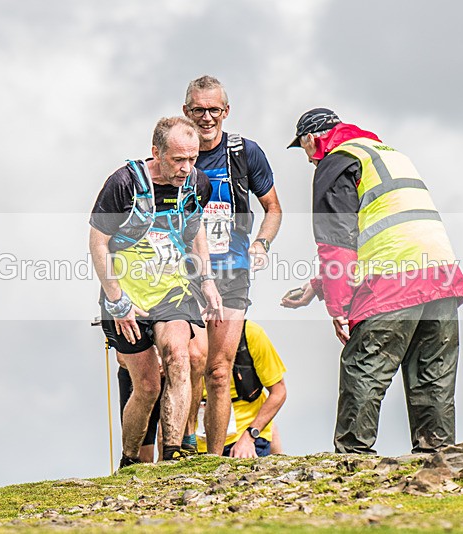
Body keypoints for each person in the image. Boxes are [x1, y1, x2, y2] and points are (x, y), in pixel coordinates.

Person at [284, 108, 463, 454]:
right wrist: (317, 287)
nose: (308, 160)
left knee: (363, 367)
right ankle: (439, 462)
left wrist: (338, 310)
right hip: (441, 274)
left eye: (304, 150)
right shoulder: (388, 154)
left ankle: (353, 461)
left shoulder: (335, 162)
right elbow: (384, 228)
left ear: (311, 139)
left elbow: (337, 242)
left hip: (394, 278)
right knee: (433, 377)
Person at [89, 116, 223, 467]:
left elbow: (195, 230)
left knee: (180, 356)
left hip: (172, 292)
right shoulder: (123, 184)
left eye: (192, 159)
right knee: (146, 387)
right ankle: (131, 459)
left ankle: (173, 453)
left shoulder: (197, 184)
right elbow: (98, 243)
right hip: (126, 297)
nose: (186, 168)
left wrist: (206, 279)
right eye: (178, 159)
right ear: (156, 153)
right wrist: (117, 300)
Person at [182, 75, 283, 456]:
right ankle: (179, 449)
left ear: (226, 111)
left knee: (220, 370)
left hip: (233, 271)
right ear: (186, 111)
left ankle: (212, 462)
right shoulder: (177, 151)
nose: (206, 118)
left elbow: (272, 207)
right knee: (188, 362)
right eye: (198, 110)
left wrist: (262, 242)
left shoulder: (245, 153)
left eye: (213, 110)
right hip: (185, 273)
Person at [194, 320, 287, 457]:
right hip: (195, 442)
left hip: (244, 439)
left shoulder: (251, 333)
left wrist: (249, 436)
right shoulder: (183, 335)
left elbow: (279, 392)